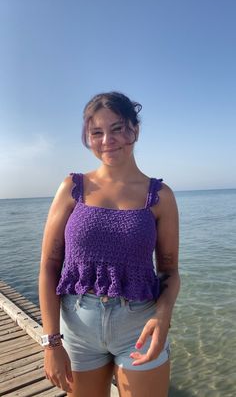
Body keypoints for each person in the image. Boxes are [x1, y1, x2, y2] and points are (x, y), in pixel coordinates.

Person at [39, 91, 180, 397]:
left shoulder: (161, 196)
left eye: (117, 128)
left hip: (139, 325)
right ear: (87, 137)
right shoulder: (72, 187)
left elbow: (169, 270)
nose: (107, 140)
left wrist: (163, 316)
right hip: (78, 326)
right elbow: (50, 265)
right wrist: (51, 341)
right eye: (97, 132)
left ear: (135, 129)